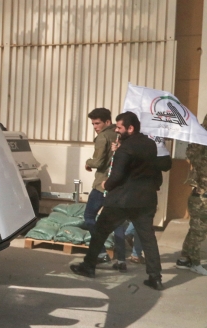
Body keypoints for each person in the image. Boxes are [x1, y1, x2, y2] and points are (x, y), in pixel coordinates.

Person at [70, 112, 166, 290]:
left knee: (100, 232)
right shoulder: (150, 144)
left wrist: (107, 184)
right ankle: (155, 277)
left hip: (121, 200)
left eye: (120, 127)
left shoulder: (125, 148)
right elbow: (156, 168)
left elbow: (118, 174)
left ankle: (88, 266)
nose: (117, 130)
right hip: (146, 200)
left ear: (131, 128)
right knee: (148, 238)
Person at [177, 120, 207, 276]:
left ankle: (184, 259)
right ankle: (195, 262)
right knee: (199, 231)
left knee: (195, 229)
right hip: (202, 195)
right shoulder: (200, 143)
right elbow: (192, 153)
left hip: (201, 194)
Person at [83, 108, 115, 231]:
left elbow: (98, 162)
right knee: (114, 220)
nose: (95, 127)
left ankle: (99, 248)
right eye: (93, 124)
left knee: (89, 216)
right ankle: (119, 249)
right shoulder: (118, 134)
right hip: (116, 184)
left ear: (107, 122)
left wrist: (88, 163)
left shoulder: (103, 136)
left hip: (101, 185)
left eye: (97, 123)